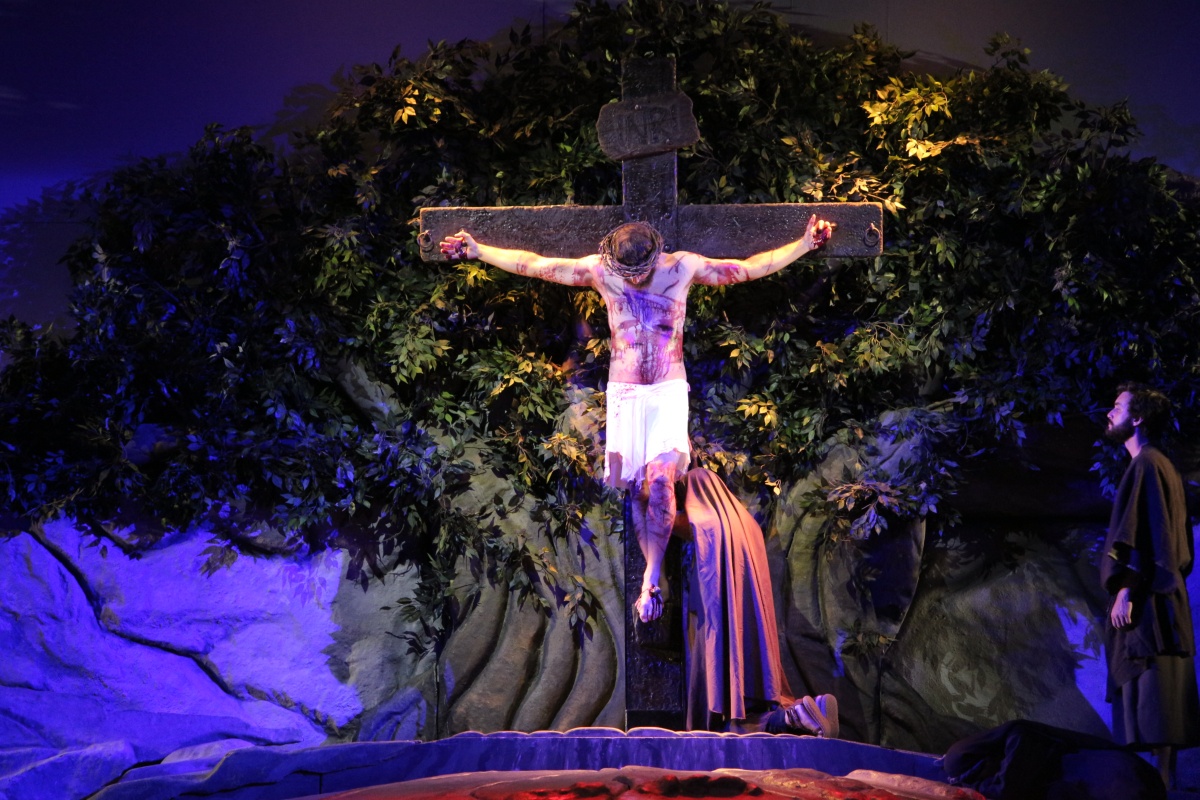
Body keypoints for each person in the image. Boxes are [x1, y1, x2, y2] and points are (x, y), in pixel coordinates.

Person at [440, 215, 832, 624]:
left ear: (655, 256)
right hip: (625, 394)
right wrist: (479, 251)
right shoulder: (601, 271)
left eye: (640, 271)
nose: (635, 278)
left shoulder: (682, 268)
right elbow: (536, 264)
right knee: (639, 493)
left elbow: (748, 268)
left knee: (660, 480)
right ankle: (651, 576)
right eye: (627, 272)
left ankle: (651, 577)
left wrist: (804, 244)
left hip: (666, 389)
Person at [1100, 382, 1200, 789]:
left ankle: (1159, 788)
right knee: (1157, 700)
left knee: (1156, 698)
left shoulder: (1147, 466)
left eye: (1118, 407)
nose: (1110, 412)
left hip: (1150, 604)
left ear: (1138, 418)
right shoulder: (1160, 466)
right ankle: (1163, 785)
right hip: (1160, 600)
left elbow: (1149, 536)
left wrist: (1126, 589)